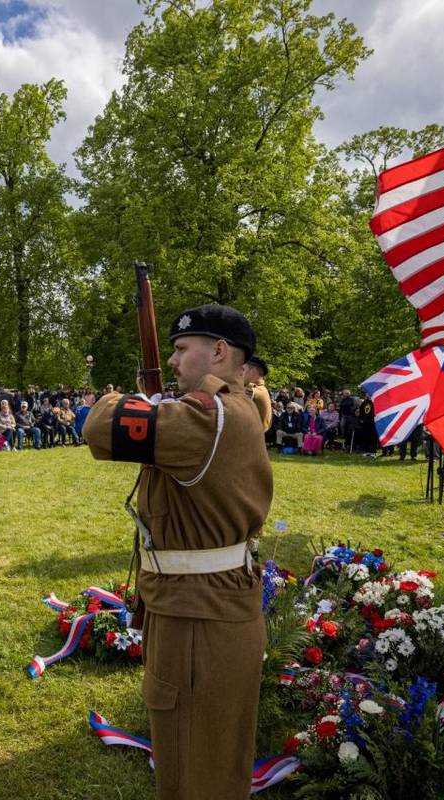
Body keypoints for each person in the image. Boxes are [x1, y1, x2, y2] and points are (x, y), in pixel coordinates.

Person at [84, 304, 271, 800]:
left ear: (219, 352)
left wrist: (122, 397)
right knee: (205, 759)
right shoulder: (230, 405)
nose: (171, 360)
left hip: (197, 616)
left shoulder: (211, 416)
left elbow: (99, 426)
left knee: (193, 768)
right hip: (201, 603)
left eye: (183, 349)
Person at [242, 355, 273, 432]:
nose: (240, 373)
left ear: (252, 372)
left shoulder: (254, 390)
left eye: (243, 369)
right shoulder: (262, 389)